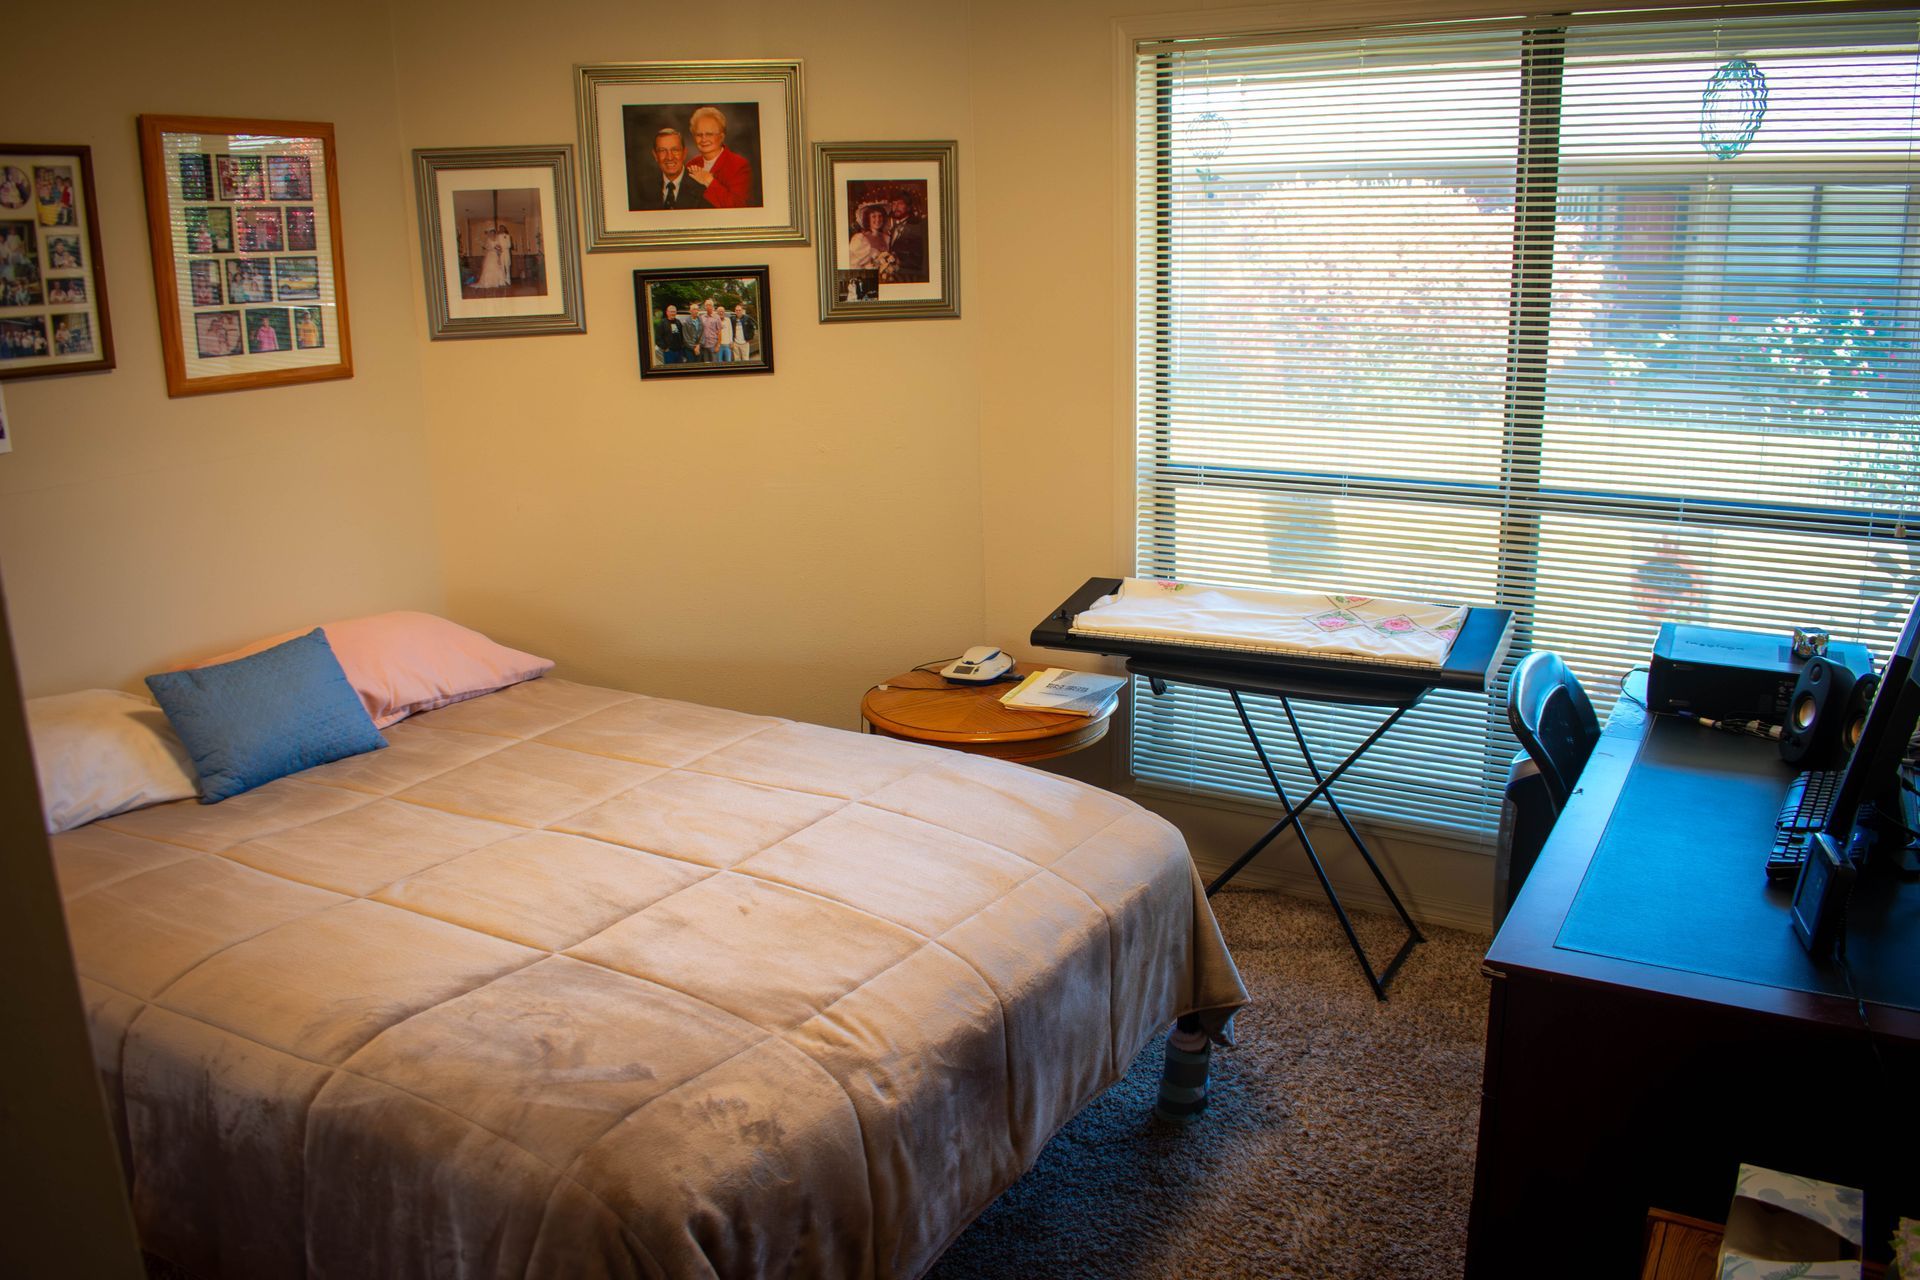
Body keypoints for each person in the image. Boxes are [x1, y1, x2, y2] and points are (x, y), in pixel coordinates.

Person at [683, 107, 755, 208]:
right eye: (699, 134)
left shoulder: (739, 165)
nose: (703, 139)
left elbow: (738, 206)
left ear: (721, 137)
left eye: (709, 134)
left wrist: (709, 181)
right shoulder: (691, 165)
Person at [636, 129, 696, 210]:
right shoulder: (643, 188)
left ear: (684, 153)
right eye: (662, 150)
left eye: (675, 150)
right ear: (655, 155)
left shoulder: (700, 186)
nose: (669, 157)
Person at [885, 195, 928, 283]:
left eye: (900, 203)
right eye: (893, 204)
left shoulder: (919, 225)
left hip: (913, 278)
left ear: (909, 207)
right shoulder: (894, 227)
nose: (896, 207)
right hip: (896, 278)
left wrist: (899, 262)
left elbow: (924, 256)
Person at [848, 204, 896, 277]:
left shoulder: (887, 238)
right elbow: (852, 266)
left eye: (880, 216)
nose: (878, 219)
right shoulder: (860, 239)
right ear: (868, 219)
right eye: (874, 216)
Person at [476, 225, 511, 289]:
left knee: (498, 267)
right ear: (490, 233)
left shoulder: (497, 239)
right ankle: (488, 282)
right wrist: (493, 248)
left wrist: (499, 250)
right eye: (491, 232)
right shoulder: (488, 239)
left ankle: (500, 282)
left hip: (496, 255)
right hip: (490, 255)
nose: (492, 234)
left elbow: (500, 246)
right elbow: (487, 247)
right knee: (490, 267)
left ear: (494, 233)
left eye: (493, 232)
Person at [699, 298, 730, 362]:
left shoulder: (716, 317)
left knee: (714, 364)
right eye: (706, 305)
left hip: (713, 345)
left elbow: (719, 332)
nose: (708, 306)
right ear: (705, 307)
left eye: (709, 305)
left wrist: (718, 345)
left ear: (712, 306)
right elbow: (700, 331)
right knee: (706, 363)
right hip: (704, 345)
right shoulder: (702, 317)